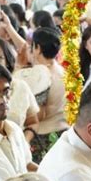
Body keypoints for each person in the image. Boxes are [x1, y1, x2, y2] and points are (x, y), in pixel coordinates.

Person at [0, 37, 39, 136]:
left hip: (17, 147)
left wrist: (25, 141)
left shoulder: (21, 87)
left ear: (7, 61)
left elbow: (32, 122)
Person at [29, 27, 68, 162]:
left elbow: (39, 113)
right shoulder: (63, 71)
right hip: (63, 131)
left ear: (38, 48)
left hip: (43, 137)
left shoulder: (40, 74)